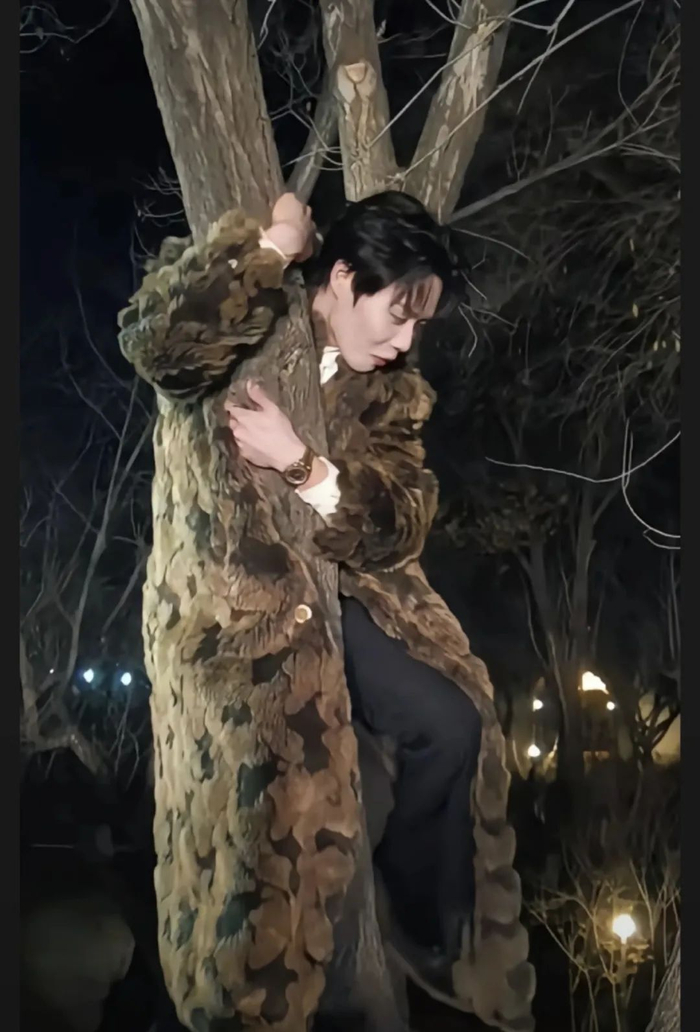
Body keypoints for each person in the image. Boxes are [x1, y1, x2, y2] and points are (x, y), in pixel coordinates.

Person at [118, 191, 533, 1032]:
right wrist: (272, 247)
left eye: (420, 325)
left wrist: (304, 466)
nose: (406, 342)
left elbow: (400, 520)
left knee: (453, 725)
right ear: (343, 276)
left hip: (346, 598)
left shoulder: (393, 395)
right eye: (399, 314)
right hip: (236, 621)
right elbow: (159, 346)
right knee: (261, 832)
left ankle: (420, 923)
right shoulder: (246, 311)